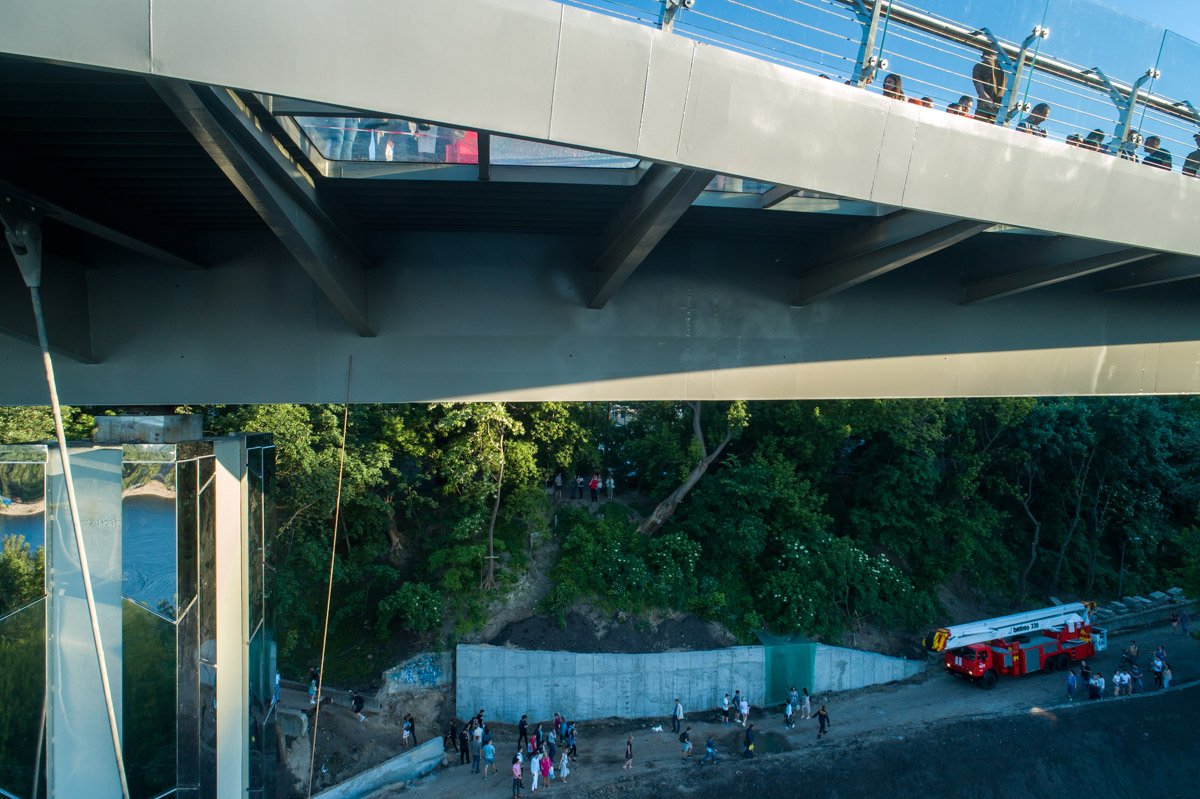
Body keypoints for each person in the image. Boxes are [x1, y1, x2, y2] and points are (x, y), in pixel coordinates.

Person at [972, 50, 1006, 123]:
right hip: (1002, 109)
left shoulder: (979, 66)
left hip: (984, 109)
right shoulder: (1006, 69)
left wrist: (991, 105)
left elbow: (980, 90)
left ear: (983, 56)